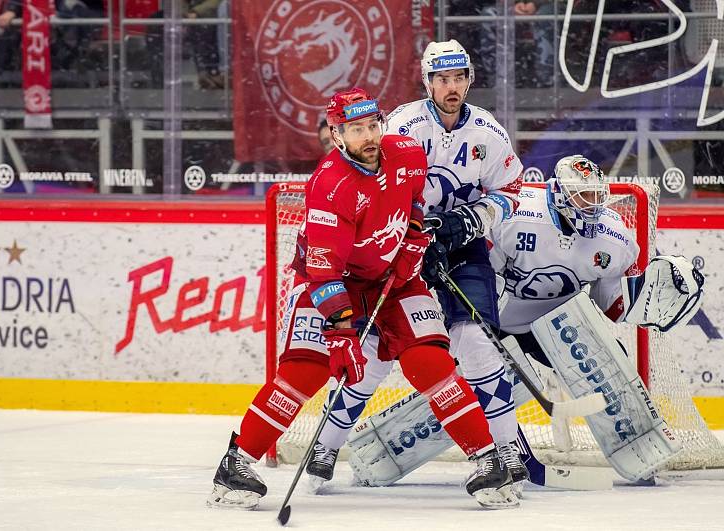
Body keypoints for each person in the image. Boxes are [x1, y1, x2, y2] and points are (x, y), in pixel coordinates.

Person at [207, 87, 516, 510]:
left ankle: (488, 460)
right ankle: (236, 463)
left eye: (373, 125)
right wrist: (339, 334)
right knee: (305, 372)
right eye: (356, 129)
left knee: (430, 361)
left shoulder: (406, 152)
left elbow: (412, 207)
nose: (368, 136)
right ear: (337, 135)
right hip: (335, 286)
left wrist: (411, 243)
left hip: (394, 283)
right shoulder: (330, 187)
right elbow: (322, 271)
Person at [345, 154, 705, 486]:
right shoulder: (517, 217)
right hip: (499, 318)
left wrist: (646, 303)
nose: (591, 206)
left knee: (611, 363)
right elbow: (479, 272)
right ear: (561, 194)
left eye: (596, 196)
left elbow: (609, 303)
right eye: (582, 197)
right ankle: (502, 453)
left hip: (557, 323)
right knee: (488, 381)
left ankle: (640, 444)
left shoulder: (614, 238)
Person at [306, 39, 528, 492]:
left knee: (479, 347)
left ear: (469, 79)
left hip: (463, 250)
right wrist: (412, 230)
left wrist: (471, 219)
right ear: (427, 81)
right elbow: (370, 176)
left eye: (459, 77)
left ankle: (506, 451)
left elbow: (512, 189)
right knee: (372, 355)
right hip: (399, 249)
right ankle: (325, 446)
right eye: (442, 78)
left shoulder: (487, 131)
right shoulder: (401, 126)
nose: (451, 87)